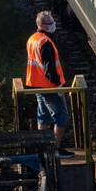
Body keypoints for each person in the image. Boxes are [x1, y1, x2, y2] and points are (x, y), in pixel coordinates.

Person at [24, 10, 74, 157]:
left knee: (44, 117)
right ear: (41, 25)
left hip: (36, 85)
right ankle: (55, 150)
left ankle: (43, 149)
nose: (53, 25)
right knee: (61, 117)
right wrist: (58, 85)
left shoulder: (33, 39)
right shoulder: (45, 43)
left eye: (52, 21)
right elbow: (49, 70)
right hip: (49, 87)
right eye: (50, 22)